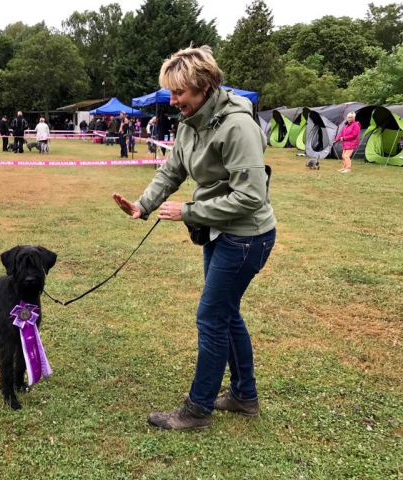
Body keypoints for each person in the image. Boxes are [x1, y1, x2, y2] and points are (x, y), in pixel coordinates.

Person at [113, 45, 276, 431]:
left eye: (179, 93)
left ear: (203, 86)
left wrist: (188, 211)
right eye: (170, 93)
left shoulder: (237, 127)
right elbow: (171, 171)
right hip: (219, 234)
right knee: (225, 313)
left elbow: (252, 196)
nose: (173, 101)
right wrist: (143, 205)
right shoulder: (191, 123)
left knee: (211, 318)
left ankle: (197, 410)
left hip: (247, 238)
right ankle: (243, 396)